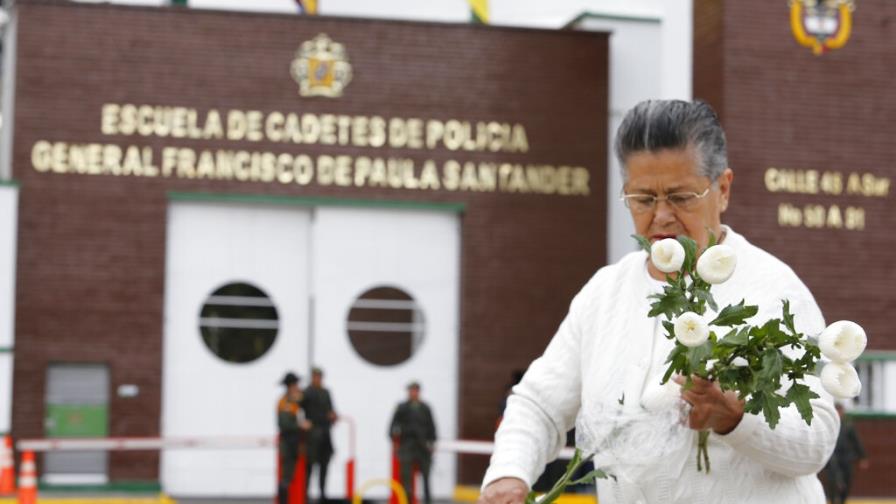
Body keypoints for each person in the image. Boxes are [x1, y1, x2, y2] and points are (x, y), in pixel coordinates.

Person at [478, 99, 840, 504]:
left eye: (681, 197)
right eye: (643, 199)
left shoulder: (773, 291)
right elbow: (539, 404)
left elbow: (818, 438)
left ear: (722, 189)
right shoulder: (605, 293)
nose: (662, 217)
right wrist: (508, 474)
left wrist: (738, 420)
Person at [389, 381, 437, 504]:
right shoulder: (402, 407)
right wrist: (395, 442)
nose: (413, 393)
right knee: (406, 478)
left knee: (426, 476)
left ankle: (427, 500)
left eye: (415, 390)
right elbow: (392, 426)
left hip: (422, 447)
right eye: (411, 390)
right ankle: (407, 501)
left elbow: (432, 428)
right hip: (407, 446)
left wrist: (431, 444)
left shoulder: (425, 408)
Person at [302, 367, 338, 504]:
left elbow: (331, 409)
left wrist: (333, 416)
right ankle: (305, 495)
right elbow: (299, 406)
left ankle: (322, 495)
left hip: (325, 434)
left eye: (319, 376)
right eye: (315, 376)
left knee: (324, 465)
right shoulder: (307, 392)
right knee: (310, 466)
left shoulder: (326, 392)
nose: (317, 379)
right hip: (312, 435)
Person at [824, 403, 869, 504]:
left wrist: (863, 457)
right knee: (833, 481)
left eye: (840, 411)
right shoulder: (829, 426)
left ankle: (842, 501)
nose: (839, 414)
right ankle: (833, 501)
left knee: (847, 481)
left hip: (846, 458)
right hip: (832, 458)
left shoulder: (848, 426)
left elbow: (856, 441)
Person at [278, 372, 311, 504]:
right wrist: (300, 425)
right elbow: (284, 424)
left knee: (292, 477)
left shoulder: (294, 401)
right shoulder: (284, 403)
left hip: (295, 443)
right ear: (290, 386)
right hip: (288, 444)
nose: (298, 387)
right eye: (295, 384)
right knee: (286, 477)